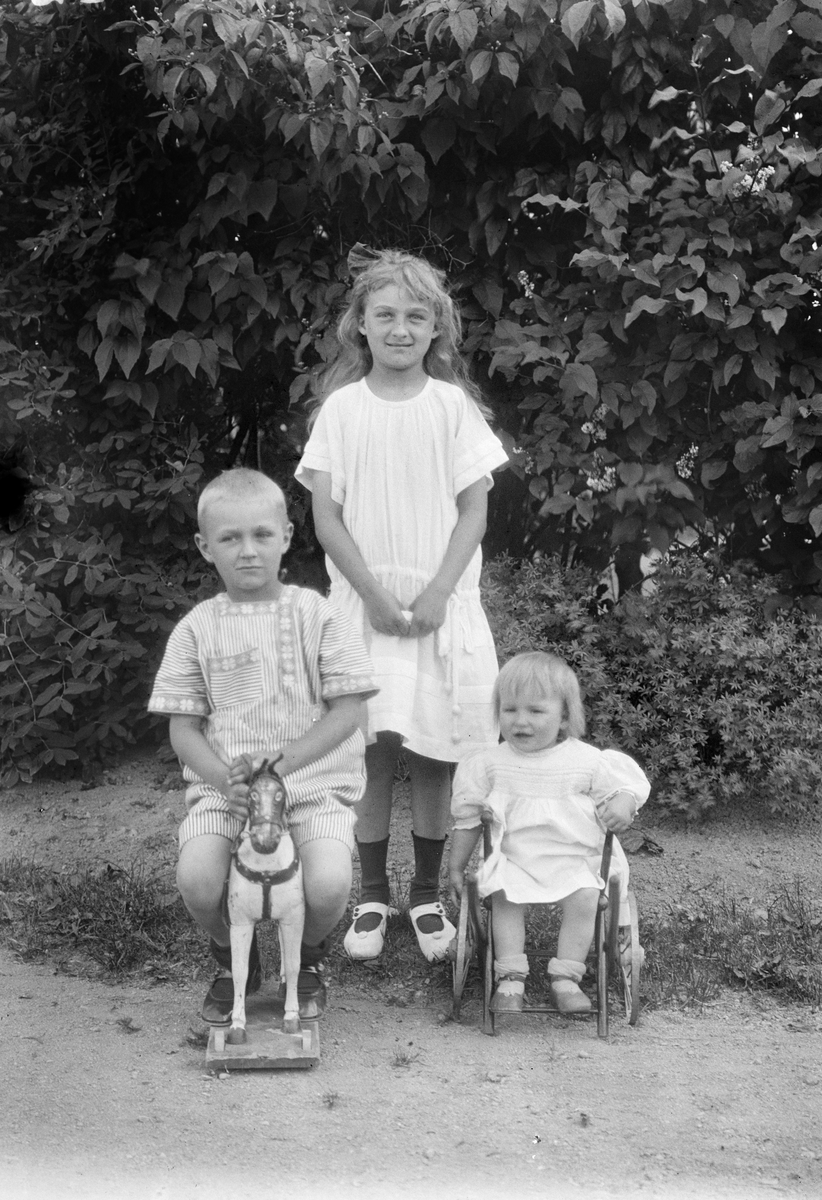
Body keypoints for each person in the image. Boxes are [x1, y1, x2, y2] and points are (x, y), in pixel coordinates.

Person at [295, 246, 509, 963]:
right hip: (366, 604)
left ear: (436, 329)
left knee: (431, 748)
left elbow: (473, 511)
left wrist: (438, 591)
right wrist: (376, 597)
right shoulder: (342, 411)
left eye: (415, 317)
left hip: (439, 604)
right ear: (358, 325)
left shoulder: (453, 408)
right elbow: (327, 520)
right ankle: (370, 895)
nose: (398, 328)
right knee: (372, 751)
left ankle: (423, 892)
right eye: (383, 315)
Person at [148, 468, 377, 1023]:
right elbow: (184, 729)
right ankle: (233, 958)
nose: (247, 552)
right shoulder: (196, 627)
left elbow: (350, 709)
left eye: (261, 535)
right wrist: (225, 778)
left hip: (310, 786)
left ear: (287, 536)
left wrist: (284, 761)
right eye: (229, 538)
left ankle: (309, 958)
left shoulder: (320, 615)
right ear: (206, 547)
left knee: (327, 884)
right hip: (227, 792)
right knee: (199, 879)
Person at [448, 652, 650, 1014]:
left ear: (564, 717)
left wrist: (624, 802)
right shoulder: (491, 764)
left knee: (587, 897)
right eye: (509, 710)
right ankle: (510, 977)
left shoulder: (586, 761)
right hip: (514, 860)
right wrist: (455, 866)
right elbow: (466, 818)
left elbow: (625, 787)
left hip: (574, 861)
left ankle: (566, 977)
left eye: (535, 711)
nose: (520, 721)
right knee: (503, 894)